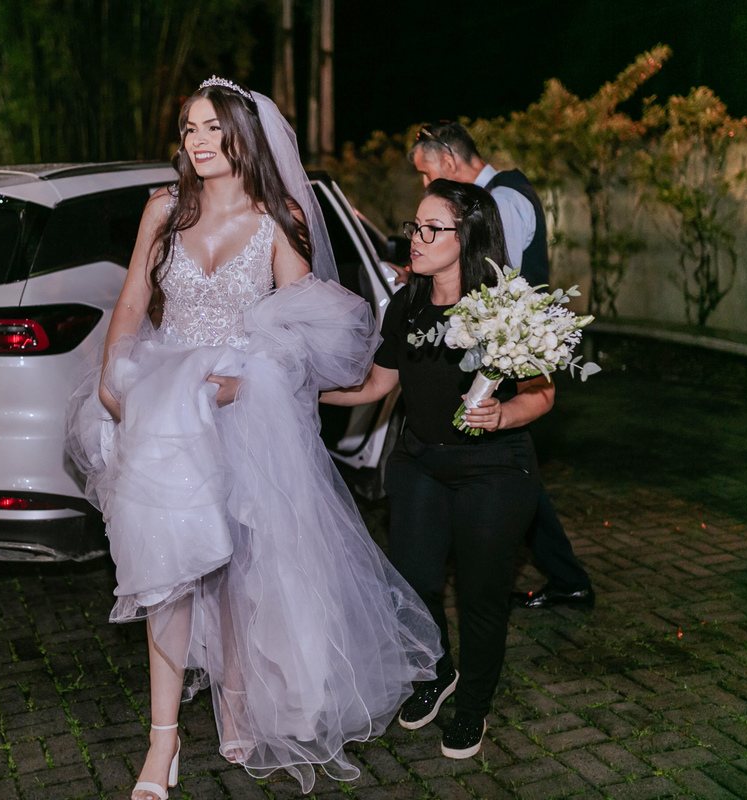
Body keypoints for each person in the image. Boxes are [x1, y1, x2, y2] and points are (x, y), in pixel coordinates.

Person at [66, 77, 441, 799]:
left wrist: (242, 384)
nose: (199, 142)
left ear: (244, 135)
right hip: (163, 411)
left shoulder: (279, 219)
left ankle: (237, 697)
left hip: (242, 413)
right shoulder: (164, 209)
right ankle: (163, 742)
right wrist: (115, 382)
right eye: (189, 129)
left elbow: (302, 332)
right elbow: (134, 299)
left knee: (240, 565)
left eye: (213, 127)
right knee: (168, 574)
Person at [322, 180, 555, 759]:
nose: (416, 239)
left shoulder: (505, 307)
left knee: (480, 595)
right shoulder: (407, 304)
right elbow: (376, 384)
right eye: (415, 227)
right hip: (420, 464)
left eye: (432, 229)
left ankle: (472, 705)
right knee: (414, 583)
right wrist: (299, 388)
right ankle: (438, 670)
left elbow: (543, 393)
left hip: (494, 471)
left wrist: (503, 415)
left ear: (466, 236)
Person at [409, 122, 595, 610]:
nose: (426, 185)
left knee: (511, 468)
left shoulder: (502, 201)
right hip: (494, 348)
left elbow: (493, 277)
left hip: (509, 351)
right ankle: (567, 576)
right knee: (516, 474)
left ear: (450, 162)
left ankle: (564, 576)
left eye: (427, 174)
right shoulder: (496, 194)